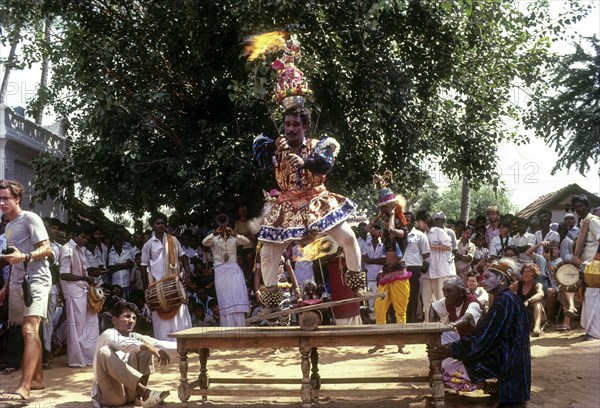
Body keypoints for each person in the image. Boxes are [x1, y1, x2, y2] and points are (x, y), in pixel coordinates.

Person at [251, 36, 365, 314]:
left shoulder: (319, 146)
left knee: (348, 239)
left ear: (304, 126)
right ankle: (273, 306)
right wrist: (275, 154)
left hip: (316, 200)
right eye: (287, 124)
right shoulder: (271, 145)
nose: (290, 129)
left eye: (295, 125)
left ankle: (358, 285)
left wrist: (306, 161)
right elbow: (261, 163)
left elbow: (325, 166)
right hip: (287, 204)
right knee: (268, 253)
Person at [428, 259, 531, 405]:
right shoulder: (509, 299)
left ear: (501, 279)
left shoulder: (504, 301)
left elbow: (484, 336)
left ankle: (490, 387)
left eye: (488, 277)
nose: (483, 281)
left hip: (508, 363)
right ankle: (496, 390)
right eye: (483, 277)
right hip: (512, 365)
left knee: (451, 364)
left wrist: (451, 350)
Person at [0, 180, 53, 403]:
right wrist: (5, 287)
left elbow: (47, 248)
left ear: (17, 199)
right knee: (26, 331)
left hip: (37, 281)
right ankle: (38, 378)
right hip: (17, 283)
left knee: (30, 330)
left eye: (6, 198)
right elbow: (14, 259)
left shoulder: (30, 218)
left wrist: (25, 257)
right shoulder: (9, 226)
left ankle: (24, 387)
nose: (2, 203)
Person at [91, 301, 173, 408]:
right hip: (112, 395)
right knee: (104, 352)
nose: (131, 321)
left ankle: (141, 397)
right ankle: (146, 393)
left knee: (146, 346)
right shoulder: (108, 334)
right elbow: (123, 344)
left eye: (134, 318)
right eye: (127, 316)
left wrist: (187, 346)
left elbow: (157, 343)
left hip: (131, 393)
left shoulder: (133, 336)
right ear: (115, 320)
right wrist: (150, 348)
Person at [366, 177, 411, 326]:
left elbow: (392, 229)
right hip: (386, 273)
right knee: (379, 309)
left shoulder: (402, 232)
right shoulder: (384, 234)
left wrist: (392, 214)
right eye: (384, 221)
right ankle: (380, 340)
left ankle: (401, 343)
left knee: (400, 310)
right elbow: (368, 229)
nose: (385, 224)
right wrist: (378, 216)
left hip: (399, 273)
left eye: (386, 220)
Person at [141, 213, 192, 341]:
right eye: (157, 223)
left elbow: (184, 257)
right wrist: (147, 288)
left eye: (162, 223)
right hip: (157, 286)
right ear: (153, 225)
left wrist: (187, 276)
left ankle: (182, 344)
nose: (160, 225)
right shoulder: (148, 245)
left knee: (180, 316)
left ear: (165, 225)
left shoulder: (173, 240)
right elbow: (143, 266)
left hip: (173, 283)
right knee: (160, 321)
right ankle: (165, 345)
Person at [429, 276, 484, 392]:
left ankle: (481, 384)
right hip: (463, 341)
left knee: (444, 363)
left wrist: (451, 325)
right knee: (434, 348)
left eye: (449, 291)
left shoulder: (472, 302)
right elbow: (433, 307)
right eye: (444, 291)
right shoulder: (449, 301)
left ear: (460, 292)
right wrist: (432, 326)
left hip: (479, 347)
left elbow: (467, 318)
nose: (445, 294)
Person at [60, 227, 101, 367]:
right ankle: (76, 360)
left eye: (87, 238)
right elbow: (63, 275)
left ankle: (88, 357)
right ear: (74, 235)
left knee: (90, 323)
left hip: (82, 289)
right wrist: (84, 277)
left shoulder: (81, 250)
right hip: (73, 291)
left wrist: (89, 276)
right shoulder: (67, 249)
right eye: (83, 237)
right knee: (76, 326)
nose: (85, 240)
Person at [202, 214, 250, 327]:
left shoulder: (234, 238)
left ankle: (240, 325)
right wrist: (214, 233)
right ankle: (227, 326)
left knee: (235, 295)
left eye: (227, 225)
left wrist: (235, 234)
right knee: (224, 297)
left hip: (233, 269)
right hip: (220, 270)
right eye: (222, 225)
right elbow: (204, 242)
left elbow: (246, 241)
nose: (224, 228)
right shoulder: (214, 238)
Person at [415, 211, 454, 322]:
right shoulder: (421, 235)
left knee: (441, 298)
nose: (418, 224)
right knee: (426, 300)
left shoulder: (438, 232)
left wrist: (429, 246)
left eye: (419, 221)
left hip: (440, 271)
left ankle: (444, 324)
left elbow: (448, 247)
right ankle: (427, 323)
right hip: (427, 272)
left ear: (425, 221)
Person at [571, 194, 600, 340]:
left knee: (593, 296)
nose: (578, 209)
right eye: (576, 207)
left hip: (595, 267)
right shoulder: (584, 222)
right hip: (586, 266)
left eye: (581, 206)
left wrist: (597, 258)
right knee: (589, 297)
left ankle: (594, 333)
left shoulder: (593, 221)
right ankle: (591, 331)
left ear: (587, 207)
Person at [403, 211, 430, 323]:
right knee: (402, 296)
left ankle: (412, 321)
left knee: (413, 296)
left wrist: (423, 267)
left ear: (413, 221)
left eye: (408, 219)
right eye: (403, 219)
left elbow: (426, 254)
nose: (405, 221)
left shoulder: (420, 235)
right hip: (401, 268)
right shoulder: (398, 234)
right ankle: (402, 321)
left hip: (414, 268)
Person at [510, 263, 545, 337]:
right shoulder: (518, 284)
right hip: (521, 312)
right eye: (524, 272)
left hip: (533, 313)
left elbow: (541, 294)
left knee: (537, 302)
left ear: (534, 274)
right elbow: (506, 291)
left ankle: (537, 327)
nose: (525, 274)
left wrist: (528, 301)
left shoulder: (537, 285)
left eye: (528, 272)